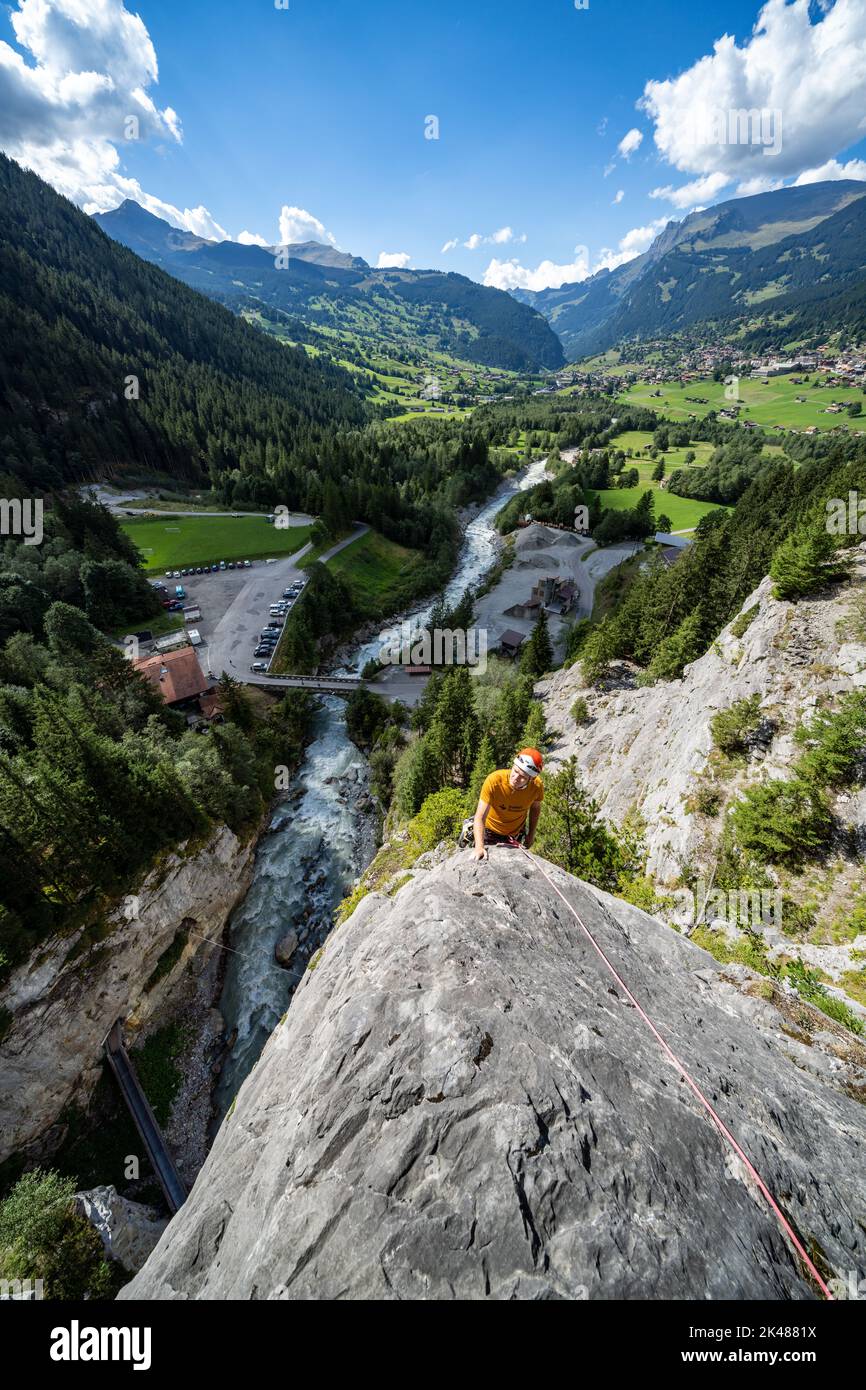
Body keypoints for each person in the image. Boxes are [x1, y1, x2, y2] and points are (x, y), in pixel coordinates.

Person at [467, 748, 544, 860]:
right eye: (515, 771)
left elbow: (535, 809)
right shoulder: (494, 781)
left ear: (531, 779)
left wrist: (531, 835)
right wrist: (479, 847)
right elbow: (480, 816)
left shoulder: (536, 787)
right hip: (490, 831)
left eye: (522, 777)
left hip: (515, 834)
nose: (516, 778)